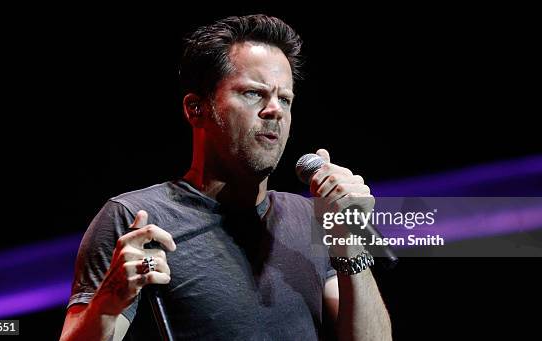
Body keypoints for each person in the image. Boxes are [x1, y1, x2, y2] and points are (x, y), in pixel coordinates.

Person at [60, 14, 391, 341]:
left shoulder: (310, 219)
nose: (275, 110)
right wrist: (108, 302)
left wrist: (349, 241)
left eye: (285, 99)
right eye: (253, 93)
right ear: (196, 108)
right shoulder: (136, 219)